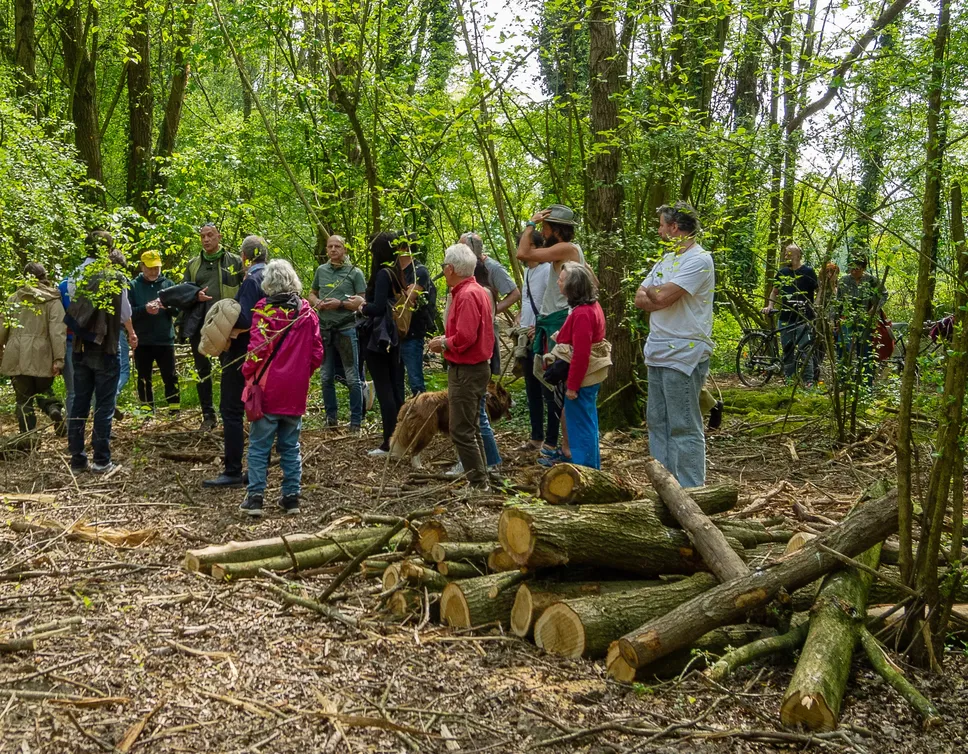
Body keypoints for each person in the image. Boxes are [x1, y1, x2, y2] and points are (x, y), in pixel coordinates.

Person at [635, 201, 715, 488]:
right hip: (657, 348)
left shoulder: (699, 259)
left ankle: (692, 490)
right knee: (657, 421)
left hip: (685, 351)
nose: (659, 229)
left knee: (683, 424)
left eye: (661, 224)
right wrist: (656, 295)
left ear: (674, 227)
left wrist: (656, 294)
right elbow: (640, 297)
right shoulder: (665, 260)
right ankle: (665, 487)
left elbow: (664, 297)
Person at [239, 260, 323, 517]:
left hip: (268, 390)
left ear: (268, 283)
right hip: (295, 390)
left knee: (259, 445)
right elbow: (317, 353)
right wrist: (300, 374)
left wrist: (246, 372)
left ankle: (255, 498)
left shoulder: (264, 311)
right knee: (290, 445)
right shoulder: (307, 313)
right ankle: (291, 497)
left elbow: (256, 350)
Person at [515, 205, 584, 464]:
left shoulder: (567, 248)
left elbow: (523, 252)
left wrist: (529, 222)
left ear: (556, 229)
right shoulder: (567, 253)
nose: (541, 232)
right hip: (553, 325)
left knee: (556, 388)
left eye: (545, 227)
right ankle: (557, 445)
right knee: (552, 386)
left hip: (559, 327)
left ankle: (558, 447)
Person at [66, 232, 139, 473]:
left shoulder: (76, 274)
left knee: (79, 403)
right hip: (106, 347)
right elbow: (125, 313)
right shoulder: (115, 277)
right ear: (108, 250)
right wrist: (130, 332)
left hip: (79, 346)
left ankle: (77, 460)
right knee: (104, 406)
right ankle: (101, 460)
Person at [428, 243, 496, 492]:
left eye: (444, 266)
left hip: (468, 371)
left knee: (461, 430)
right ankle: (481, 477)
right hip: (474, 369)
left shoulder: (467, 295)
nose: (444, 271)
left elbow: (465, 338)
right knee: (471, 426)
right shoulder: (474, 290)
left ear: (450, 268)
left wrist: (442, 344)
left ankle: (478, 484)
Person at [203, 235, 267, 488]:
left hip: (243, 353)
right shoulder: (273, 278)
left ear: (244, 257)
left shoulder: (252, 281)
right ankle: (257, 470)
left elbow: (246, 320)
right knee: (261, 410)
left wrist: (224, 316)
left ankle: (232, 470)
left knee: (231, 410)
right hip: (267, 354)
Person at [350, 232, 405, 457]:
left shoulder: (383, 274)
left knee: (385, 390)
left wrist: (360, 305)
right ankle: (401, 439)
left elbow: (379, 307)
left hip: (379, 339)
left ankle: (388, 444)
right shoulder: (396, 272)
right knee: (395, 387)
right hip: (393, 337)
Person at [183, 223, 243, 430]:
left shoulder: (235, 261)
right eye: (202, 236)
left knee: (231, 369)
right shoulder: (193, 265)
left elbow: (245, 291)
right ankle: (208, 415)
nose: (206, 239)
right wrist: (194, 296)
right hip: (200, 325)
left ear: (219, 236)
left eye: (210, 235)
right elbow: (183, 292)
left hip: (228, 325)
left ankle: (232, 413)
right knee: (202, 370)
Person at [549, 262, 609, 469]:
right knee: (584, 421)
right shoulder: (588, 307)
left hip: (584, 378)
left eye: (562, 279)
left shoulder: (583, 313)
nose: (558, 281)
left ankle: (587, 470)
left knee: (581, 424)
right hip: (585, 376)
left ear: (573, 286)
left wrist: (573, 386)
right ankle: (586, 467)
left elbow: (581, 354)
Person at [0, 263, 67, 436]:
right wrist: (59, 359)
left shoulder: (13, 299)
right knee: (44, 389)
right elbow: (58, 331)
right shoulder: (53, 300)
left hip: (17, 354)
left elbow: (2, 328)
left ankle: (28, 436)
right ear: (44, 276)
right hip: (42, 354)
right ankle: (54, 409)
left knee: (23, 398)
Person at [308, 234, 366, 431]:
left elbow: (362, 302)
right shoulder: (321, 270)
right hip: (325, 329)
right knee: (325, 376)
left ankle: (356, 422)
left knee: (352, 377)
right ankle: (331, 420)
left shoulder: (354, 272)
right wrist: (317, 303)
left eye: (337, 246)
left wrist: (340, 304)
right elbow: (312, 293)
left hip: (346, 328)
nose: (333, 250)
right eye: (330, 246)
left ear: (345, 250)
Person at [516, 231, 558, 452]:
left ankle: (551, 441)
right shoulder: (528, 272)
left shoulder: (547, 270)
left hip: (542, 338)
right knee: (531, 389)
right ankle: (536, 437)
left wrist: (539, 327)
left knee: (547, 389)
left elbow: (551, 303)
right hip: (527, 337)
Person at [128, 251, 179, 412]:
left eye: (156, 267)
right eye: (150, 268)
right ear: (142, 267)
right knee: (144, 377)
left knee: (170, 376)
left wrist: (167, 306)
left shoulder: (168, 284)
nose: (153, 272)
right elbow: (128, 313)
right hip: (143, 340)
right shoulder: (133, 286)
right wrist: (145, 309)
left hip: (165, 339)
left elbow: (178, 310)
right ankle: (146, 410)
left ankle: (174, 408)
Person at [762, 243, 818, 387]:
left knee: (805, 349)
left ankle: (808, 381)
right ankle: (789, 379)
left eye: (789, 254)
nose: (787, 256)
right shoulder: (782, 273)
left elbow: (820, 290)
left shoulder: (808, 272)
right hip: (786, 318)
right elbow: (774, 292)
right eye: (785, 253)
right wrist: (770, 305)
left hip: (804, 317)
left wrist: (815, 305)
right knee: (788, 350)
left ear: (798, 255)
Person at [836, 255, 887, 387]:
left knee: (865, 351)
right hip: (847, 320)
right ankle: (843, 382)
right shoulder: (844, 281)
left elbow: (884, 294)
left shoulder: (872, 281)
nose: (853, 272)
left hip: (865, 320)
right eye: (851, 268)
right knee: (843, 347)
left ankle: (865, 384)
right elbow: (838, 302)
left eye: (857, 269)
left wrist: (874, 309)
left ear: (863, 268)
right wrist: (834, 319)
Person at [396, 234, 437, 397]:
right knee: (396, 379)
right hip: (394, 332)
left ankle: (423, 413)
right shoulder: (393, 270)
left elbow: (407, 298)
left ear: (404, 248)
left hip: (412, 332)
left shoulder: (419, 271)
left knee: (415, 380)